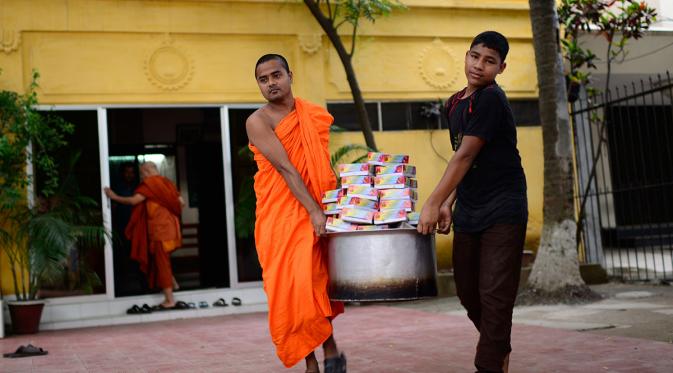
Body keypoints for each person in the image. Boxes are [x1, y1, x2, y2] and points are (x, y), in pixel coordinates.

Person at [417, 31, 528, 373]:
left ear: (501, 67)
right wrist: (448, 201)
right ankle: (499, 348)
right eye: (475, 57)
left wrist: (432, 204)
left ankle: (490, 363)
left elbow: (464, 156)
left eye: (489, 61)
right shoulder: (455, 103)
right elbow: (461, 158)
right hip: (470, 207)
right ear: (466, 56)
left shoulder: (492, 99)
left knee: (494, 293)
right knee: (467, 290)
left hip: (503, 207)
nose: (479, 66)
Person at [246, 54, 346, 373]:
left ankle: (329, 349)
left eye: (276, 75)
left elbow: (321, 167)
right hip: (282, 217)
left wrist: (332, 205)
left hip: (318, 208)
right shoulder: (257, 121)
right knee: (293, 288)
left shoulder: (312, 115)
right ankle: (311, 360)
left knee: (318, 282)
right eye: (263, 79)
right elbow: (286, 168)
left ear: (290, 75)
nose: (271, 83)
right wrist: (314, 211)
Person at [104, 161, 184, 309]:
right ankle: (175, 285)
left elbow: (134, 201)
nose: (141, 177)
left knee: (162, 263)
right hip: (171, 230)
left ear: (147, 171)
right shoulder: (167, 183)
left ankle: (170, 300)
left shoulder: (150, 184)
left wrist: (114, 197)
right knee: (163, 260)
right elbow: (181, 202)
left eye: (142, 173)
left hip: (160, 232)